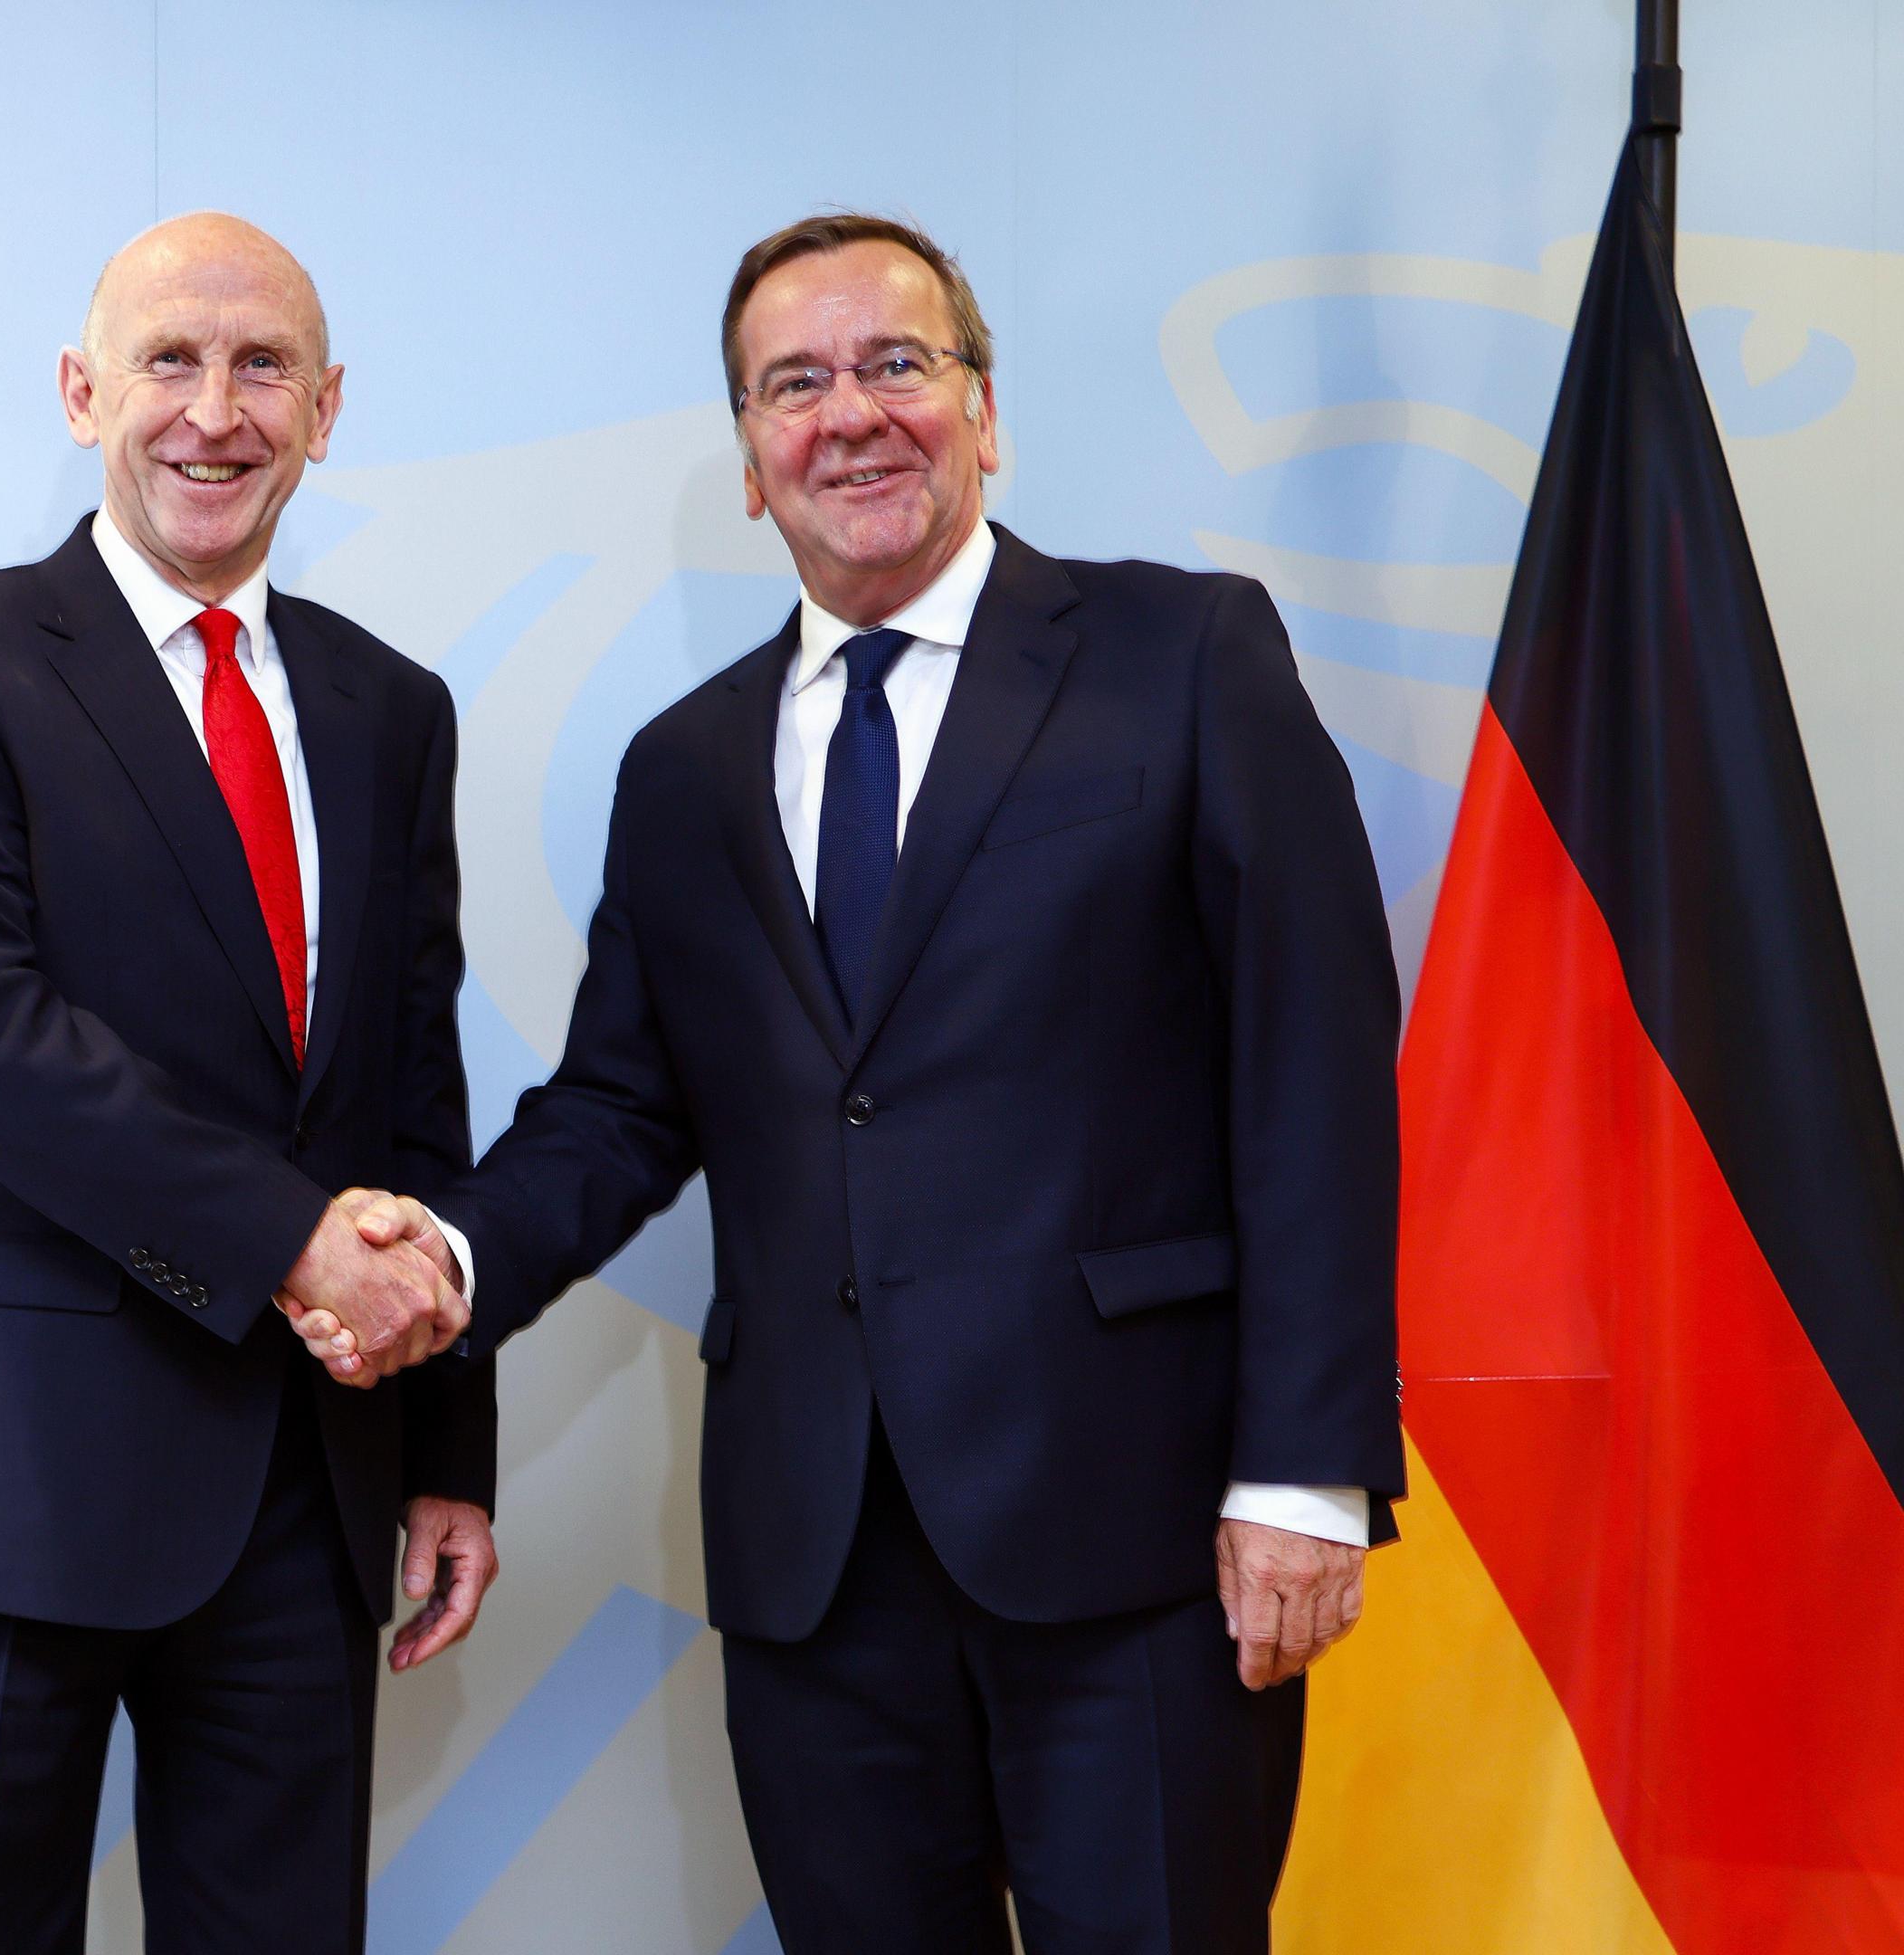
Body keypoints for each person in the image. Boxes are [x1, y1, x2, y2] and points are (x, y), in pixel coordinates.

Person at [292, 214, 1404, 1953]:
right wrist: (444, 1265)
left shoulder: (1183, 659)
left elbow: (1319, 1062)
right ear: (748, 462)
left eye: (896, 363)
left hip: (1138, 1546)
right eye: (793, 384)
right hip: (816, 1570)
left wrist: (1305, 1477)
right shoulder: (685, 772)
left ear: (982, 408)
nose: (849, 414)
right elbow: (614, 1115)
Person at [0, 211, 498, 1955]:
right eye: (170, 362)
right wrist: (294, 1243)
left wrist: (447, 1445)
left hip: (308, 1479)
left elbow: (413, 1084)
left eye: (262, 364)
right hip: (7, 1487)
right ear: (82, 393)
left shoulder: (389, 708)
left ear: (328, 407)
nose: (216, 411)